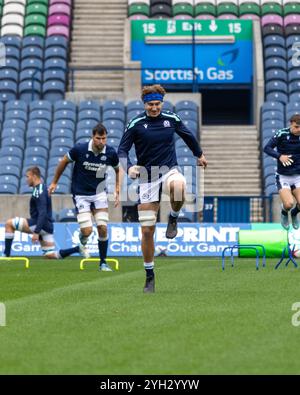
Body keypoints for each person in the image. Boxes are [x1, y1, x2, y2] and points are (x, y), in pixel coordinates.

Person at [118, 84, 207, 293]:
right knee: (147, 230)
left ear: (162, 103)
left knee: (180, 185)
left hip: (168, 170)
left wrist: (199, 154)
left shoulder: (171, 119)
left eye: (157, 104)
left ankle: (173, 216)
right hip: (147, 177)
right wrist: (129, 167)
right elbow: (122, 149)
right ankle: (150, 275)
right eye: (150, 104)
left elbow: (188, 136)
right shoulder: (136, 123)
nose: (154, 108)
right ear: (144, 104)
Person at [49, 123, 120, 271]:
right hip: (81, 194)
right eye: (98, 138)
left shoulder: (111, 153)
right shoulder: (79, 149)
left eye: (104, 138)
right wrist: (55, 182)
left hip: (99, 193)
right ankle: (83, 242)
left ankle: (103, 263)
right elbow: (63, 161)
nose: (101, 141)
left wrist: (117, 189)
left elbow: (118, 169)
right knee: (87, 231)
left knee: (102, 227)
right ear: (92, 137)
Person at [2, 166, 84, 259]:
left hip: (38, 224)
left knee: (9, 224)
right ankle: (77, 249)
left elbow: (42, 212)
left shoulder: (39, 190)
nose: (26, 180)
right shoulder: (43, 188)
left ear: (34, 176)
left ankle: (6, 255)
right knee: (49, 255)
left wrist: (36, 232)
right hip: (47, 226)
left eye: (27, 176)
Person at [264, 114, 300, 230]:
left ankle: (294, 214)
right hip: (283, 176)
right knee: (289, 203)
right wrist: (279, 156)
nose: (299, 130)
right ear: (291, 124)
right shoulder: (282, 134)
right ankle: (285, 212)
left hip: (298, 176)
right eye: (296, 127)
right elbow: (267, 148)